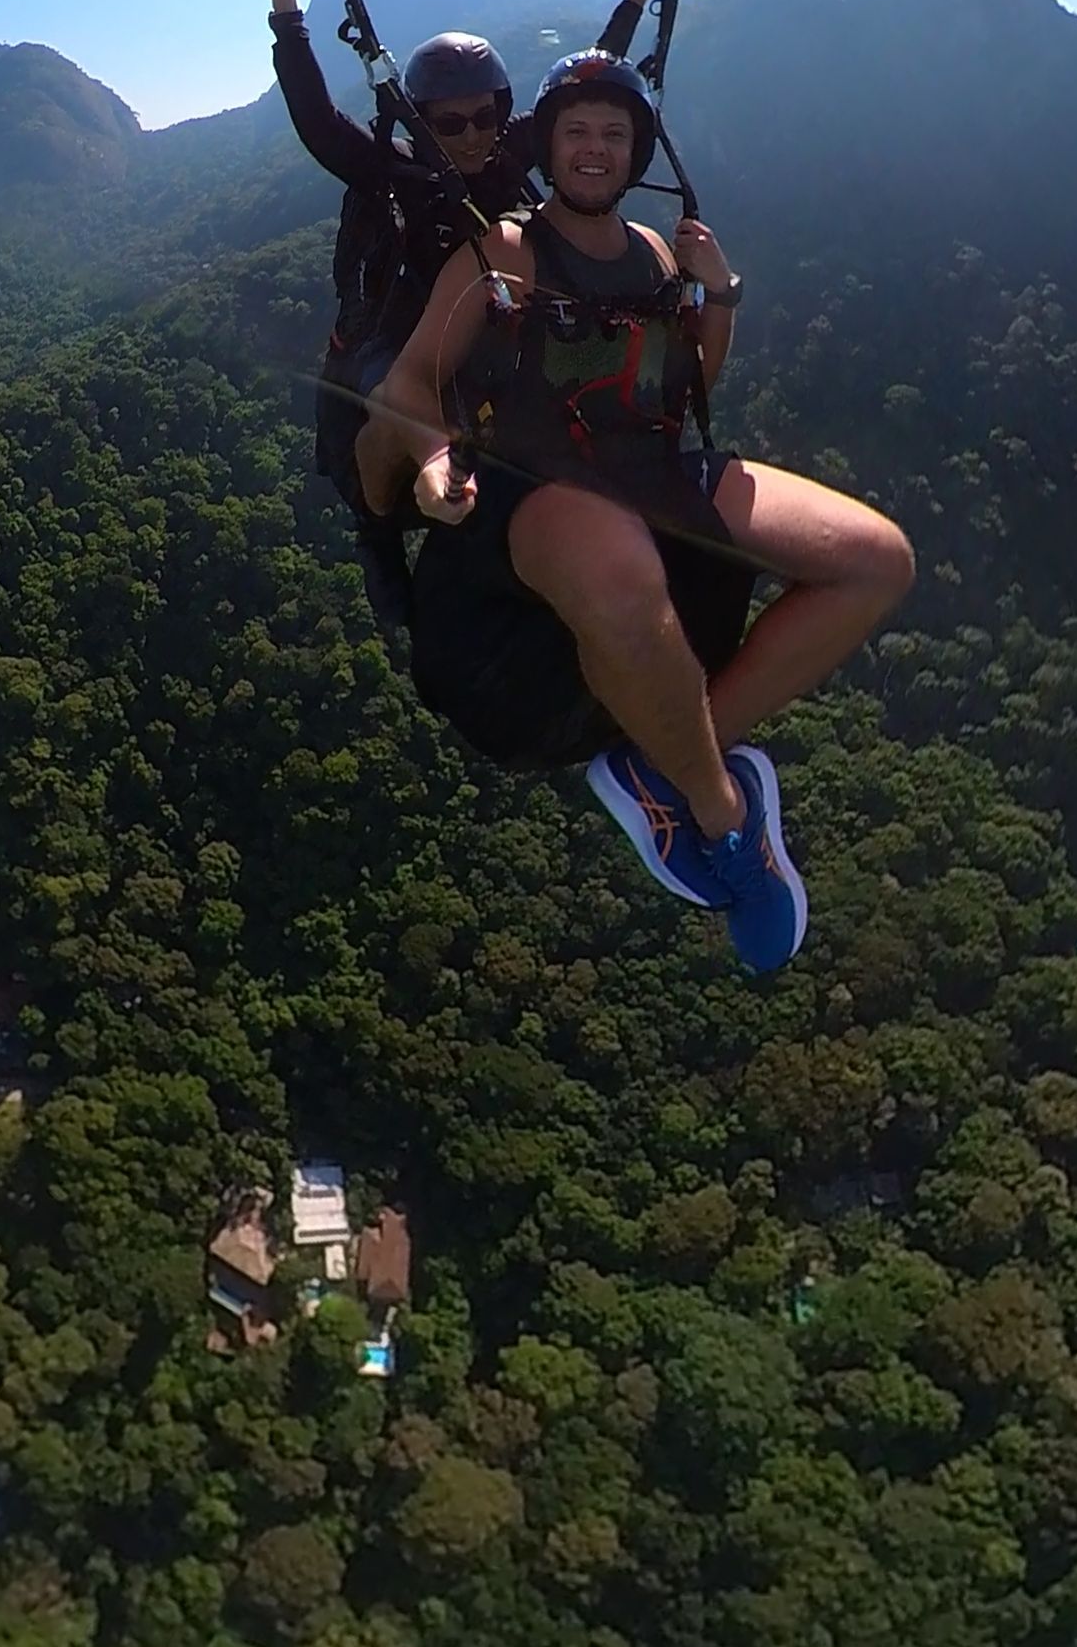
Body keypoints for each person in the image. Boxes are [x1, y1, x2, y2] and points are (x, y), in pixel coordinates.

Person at [357, 51, 915, 972]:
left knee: (876, 560)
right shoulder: (502, 248)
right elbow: (412, 381)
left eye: (614, 133)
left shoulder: (660, 253)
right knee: (618, 560)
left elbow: (682, 387)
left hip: (649, 471)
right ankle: (721, 816)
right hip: (534, 494)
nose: (594, 148)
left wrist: (717, 292)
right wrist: (429, 460)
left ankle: (668, 758)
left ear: (638, 151)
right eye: (576, 130)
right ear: (547, 144)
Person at [239, 0, 661, 615]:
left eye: (484, 117)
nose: (469, 136)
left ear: (502, 111)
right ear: (421, 118)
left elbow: (593, 80)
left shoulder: (507, 151)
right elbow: (318, 122)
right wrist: (286, 5)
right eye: (450, 122)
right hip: (395, 343)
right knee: (395, 417)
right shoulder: (394, 167)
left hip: (483, 330)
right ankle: (377, 534)